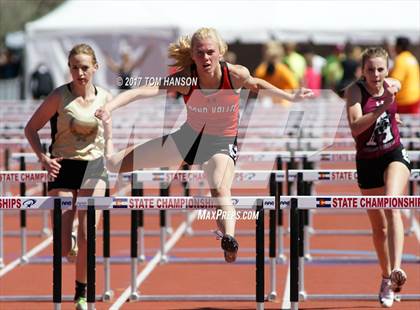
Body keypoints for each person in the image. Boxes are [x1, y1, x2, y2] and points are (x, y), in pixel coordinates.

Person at [95, 27, 313, 263]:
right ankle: (107, 140)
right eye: (200, 53)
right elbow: (143, 91)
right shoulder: (186, 78)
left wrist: (290, 96)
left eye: (210, 52)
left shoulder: (235, 74)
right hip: (187, 139)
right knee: (114, 164)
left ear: (220, 53)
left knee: (219, 187)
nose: (206, 58)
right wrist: (109, 108)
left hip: (221, 143)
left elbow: (258, 84)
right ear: (192, 55)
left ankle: (229, 237)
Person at [25, 43, 112, 310]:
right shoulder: (58, 96)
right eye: (74, 67)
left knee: (89, 235)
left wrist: (110, 152)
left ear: (95, 68)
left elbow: (106, 136)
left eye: (85, 67)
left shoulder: (106, 97)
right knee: (64, 248)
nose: (80, 73)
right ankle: (69, 237)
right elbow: (31, 129)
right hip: (62, 168)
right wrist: (42, 158)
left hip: (94, 169)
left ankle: (81, 294)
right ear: (69, 69)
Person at [346, 47, 410, 308]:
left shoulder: (391, 84)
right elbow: (355, 127)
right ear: (363, 70)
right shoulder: (355, 92)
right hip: (367, 161)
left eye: (380, 69)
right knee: (378, 227)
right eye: (370, 69)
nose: (376, 74)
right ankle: (385, 276)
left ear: (387, 68)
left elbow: (399, 83)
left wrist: (391, 103)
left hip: (393, 153)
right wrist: (382, 108)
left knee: (392, 204)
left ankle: (396, 271)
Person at [389, 36, 420, 114]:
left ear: (399, 46)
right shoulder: (412, 58)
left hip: (404, 101)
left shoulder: (400, 60)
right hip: (415, 98)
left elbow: (394, 81)